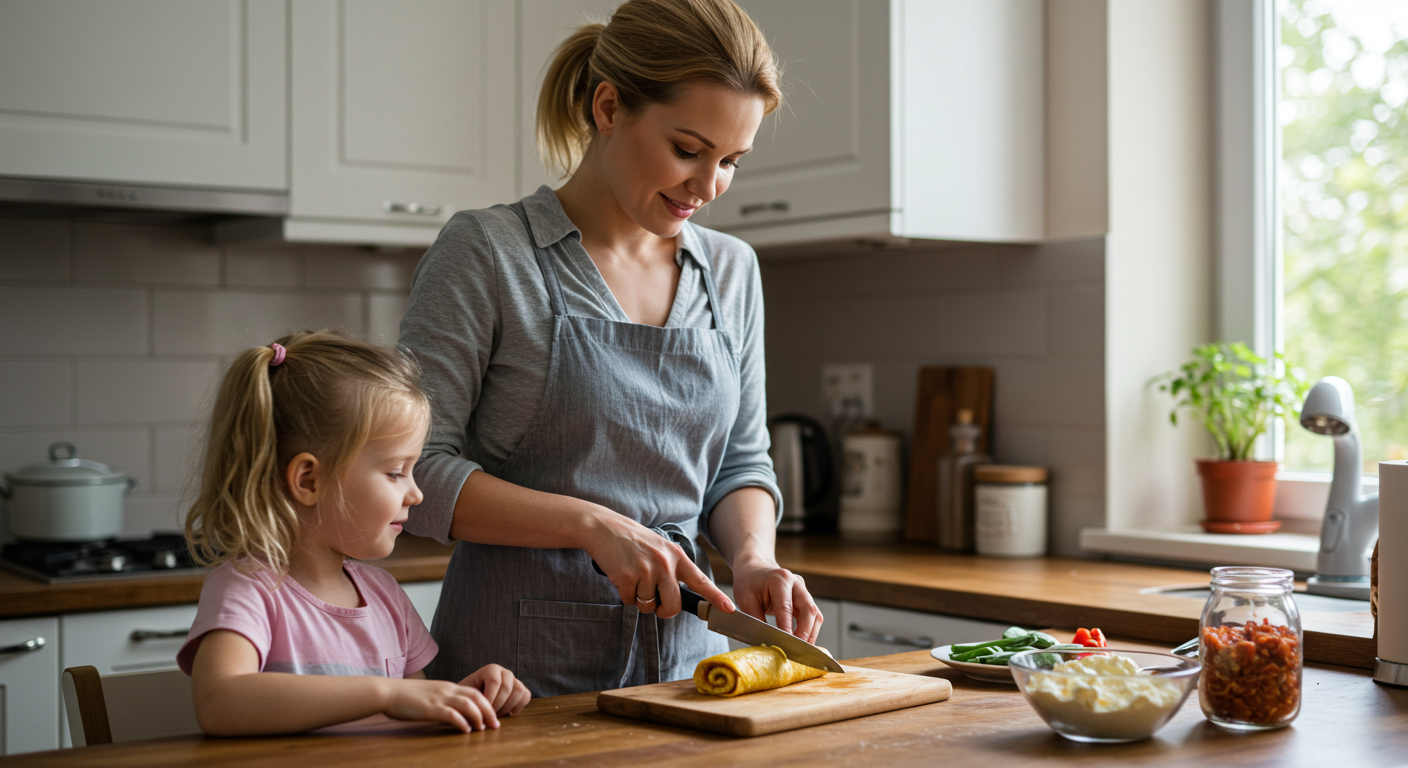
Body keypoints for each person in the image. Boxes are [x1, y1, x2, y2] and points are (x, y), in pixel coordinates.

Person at [398, 0, 823, 697]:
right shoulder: (488, 253)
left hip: (691, 670)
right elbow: (414, 476)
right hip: (510, 678)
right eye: (687, 150)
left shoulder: (732, 271)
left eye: (731, 161)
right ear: (607, 107)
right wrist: (591, 525)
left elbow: (741, 461)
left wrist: (752, 557)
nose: (708, 186)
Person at [177, 330, 530, 735]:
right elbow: (220, 703)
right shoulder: (248, 590)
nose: (416, 493)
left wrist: (462, 702)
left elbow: (408, 717)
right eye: (396, 471)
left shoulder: (386, 596)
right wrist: (387, 695)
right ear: (309, 480)